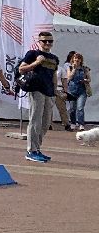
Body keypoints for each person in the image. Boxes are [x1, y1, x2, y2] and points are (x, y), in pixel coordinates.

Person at [16, 30, 62, 162]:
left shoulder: (54, 58)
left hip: (49, 92)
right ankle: (31, 150)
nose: (47, 43)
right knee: (35, 120)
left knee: (46, 122)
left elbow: (53, 75)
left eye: (50, 41)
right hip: (36, 89)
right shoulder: (33, 53)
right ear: (39, 42)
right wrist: (36, 63)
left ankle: (37, 148)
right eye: (44, 41)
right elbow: (21, 69)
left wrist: (55, 91)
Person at [61, 51, 90, 130]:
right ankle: (73, 123)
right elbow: (69, 78)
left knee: (80, 107)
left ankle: (81, 124)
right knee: (72, 109)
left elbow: (89, 79)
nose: (77, 60)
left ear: (81, 60)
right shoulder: (69, 67)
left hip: (82, 91)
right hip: (72, 91)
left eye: (78, 58)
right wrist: (74, 69)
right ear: (72, 59)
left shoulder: (84, 68)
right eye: (75, 58)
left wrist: (86, 80)